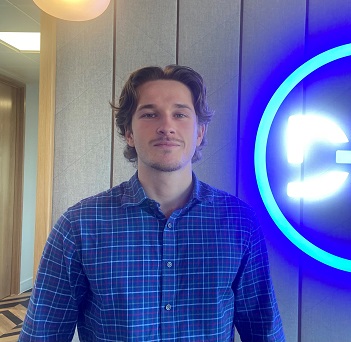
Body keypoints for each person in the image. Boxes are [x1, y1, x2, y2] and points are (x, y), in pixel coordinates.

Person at [19, 65, 285, 341]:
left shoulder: (238, 221)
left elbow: (263, 330)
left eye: (180, 114)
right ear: (129, 132)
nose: (166, 127)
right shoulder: (79, 226)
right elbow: (42, 334)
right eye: (149, 114)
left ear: (199, 133)